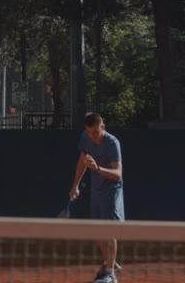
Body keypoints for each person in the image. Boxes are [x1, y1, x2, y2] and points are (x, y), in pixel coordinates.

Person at [69, 112, 124, 283]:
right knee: (97, 231)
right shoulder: (85, 138)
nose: (92, 136)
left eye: (96, 132)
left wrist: (98, 168)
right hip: (96, 189)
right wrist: (75, 186)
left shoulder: (112, 143)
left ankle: (110, 274)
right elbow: (82, 161)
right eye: (89, 132)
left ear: (103, 127)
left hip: (111, 189)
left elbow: (118, 174)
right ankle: (111, 264)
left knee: (109, 230)